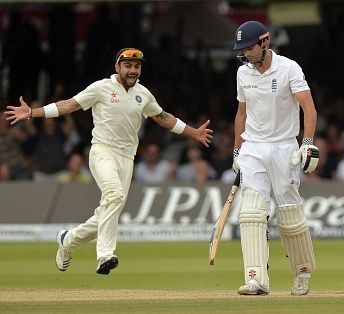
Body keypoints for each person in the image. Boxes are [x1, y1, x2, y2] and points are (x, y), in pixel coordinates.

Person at [3, 48, 213, 275]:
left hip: (127, 159)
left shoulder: (143, 94)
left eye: (137, 66)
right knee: (114, 195)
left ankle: (68, 240)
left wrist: (194, 133)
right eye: (128, 66)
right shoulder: (101, 87)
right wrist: (33, 112)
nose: (133, 70)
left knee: (107, 212)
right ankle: (105, 255)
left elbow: (163, 118)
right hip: (103, 152)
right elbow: (69, 105)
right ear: (117, 67)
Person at [231, 21, 319, 296]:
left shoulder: (289, 68)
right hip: (253, 147)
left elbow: (309, 108)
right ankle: (256, 279)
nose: (246, 54)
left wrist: (307, 144)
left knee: (289, 214)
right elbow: (241, 115)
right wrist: (237, 151)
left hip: (284, 147)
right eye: (242, 50)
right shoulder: (242, 73)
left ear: (265, 42)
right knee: (251, 213)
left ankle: (302, 272)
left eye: (250, 48)